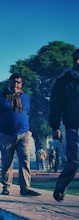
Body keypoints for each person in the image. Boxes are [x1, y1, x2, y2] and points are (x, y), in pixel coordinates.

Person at [0, 73, 41, 196]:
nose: (16, 84)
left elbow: (28, 113)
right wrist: (1, 127)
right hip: (6, 135)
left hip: (24, 134)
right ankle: (6, 187)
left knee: (25, 161)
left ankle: (25, 188)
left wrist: (24, 126)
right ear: (9, 82)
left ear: (21, 84)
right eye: (14, 82)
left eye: (18, 82)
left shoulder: (25, 98)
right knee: (7, 162)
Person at [49, 48, 79, 202]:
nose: (78, 62)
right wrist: (55, 127)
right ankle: (61, 185)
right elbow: (55, 105)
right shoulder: (64, 80)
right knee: (75, 161)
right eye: (76, 59)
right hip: (74, 125)